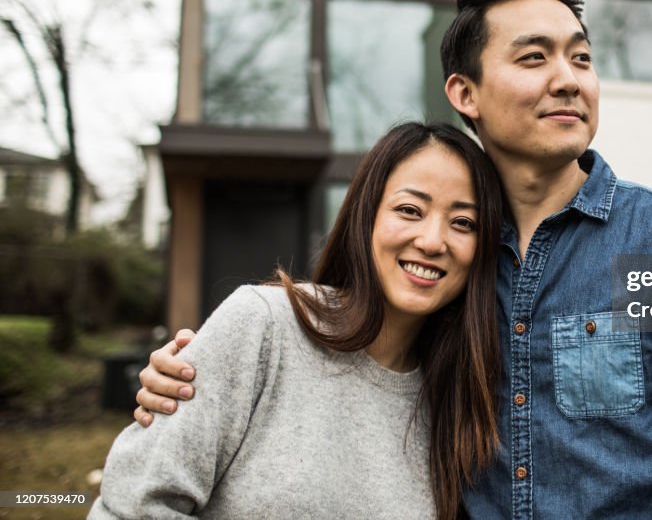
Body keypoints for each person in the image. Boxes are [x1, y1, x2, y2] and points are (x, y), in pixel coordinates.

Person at [136, 0, 652, 518]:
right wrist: (191, 381)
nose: (567, 78)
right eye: (533, 57)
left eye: (582, 58)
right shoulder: (446, 267)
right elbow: (347, 364)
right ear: (464, 92)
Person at [92, 122, 504, 519]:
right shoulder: (263, 326)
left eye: (463, 223)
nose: (432, 241)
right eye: (410, 210)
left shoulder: (459, 400)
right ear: (366, 218)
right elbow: (133, 507)